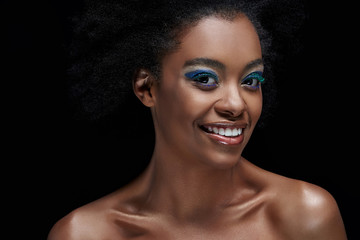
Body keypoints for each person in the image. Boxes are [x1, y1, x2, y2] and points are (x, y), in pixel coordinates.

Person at [48, 0, 347, 239]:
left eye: (251, 80)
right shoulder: (86, 234)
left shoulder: (304, 216)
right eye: (205, 78)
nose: (236, 104)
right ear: (147, 87)